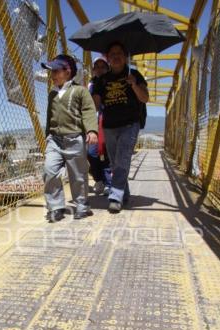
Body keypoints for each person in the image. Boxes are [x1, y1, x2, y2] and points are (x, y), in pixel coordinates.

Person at [92, 42, 149, 213]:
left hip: (130, 124)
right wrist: (93, 90)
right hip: (109, 125)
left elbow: (145, 98)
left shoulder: (135, 74)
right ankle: (124, 194)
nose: (116, 56)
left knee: (123, 158)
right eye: (112, 54)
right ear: (108, 58)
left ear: (125, 57)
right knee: (116, 162)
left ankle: (115, 196)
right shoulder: (102, 80)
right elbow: (95, 104)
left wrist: (134, 85)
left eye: (119, 53)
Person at [41, 54, 98, 222]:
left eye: (56, 71)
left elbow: (88, 111)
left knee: (78, 175)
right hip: (55, 140)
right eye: (51, 72)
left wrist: (92, 131)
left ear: (68, 72)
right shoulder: (52, 94)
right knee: (49, 171)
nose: (52, 75)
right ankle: (56, 206)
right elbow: (48, 117)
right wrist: (47, 135)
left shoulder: (80, 91)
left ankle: (82, 205)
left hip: (74, 139)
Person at [87, 56, 112, 196]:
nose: (100, 69)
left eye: (103, 67)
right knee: (91, 153)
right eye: (97, 67)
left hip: (109, 122)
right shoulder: (90, 85)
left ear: (108, 69)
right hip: (94, 123)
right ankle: (99, 179)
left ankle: (109, 183)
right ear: (93, 70)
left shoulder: (111, 82)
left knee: (107, 153)